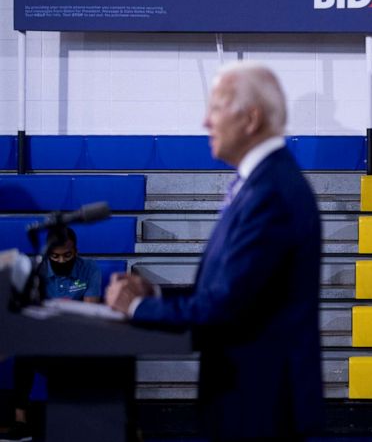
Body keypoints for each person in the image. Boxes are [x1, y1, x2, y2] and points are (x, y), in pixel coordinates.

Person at [105, 62, 322, 442]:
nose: (206, 121)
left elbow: (225, 307)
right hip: (249, 397)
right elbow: (235, 290)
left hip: (259, 404)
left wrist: (136, 308)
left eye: (216, 108)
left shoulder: (271, 192)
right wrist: (153, 293)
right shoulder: (262, 182)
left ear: (251, 118)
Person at [1, 227, 102, 442]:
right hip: (43, 339)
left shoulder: (90, 269)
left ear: (76, 251)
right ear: (48, 254)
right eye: (55, 256)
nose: (61, 260)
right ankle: (21, 422)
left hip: (76, 341)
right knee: (24, 352)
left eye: (67, 255)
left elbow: (89, 316)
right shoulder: (35, 272)